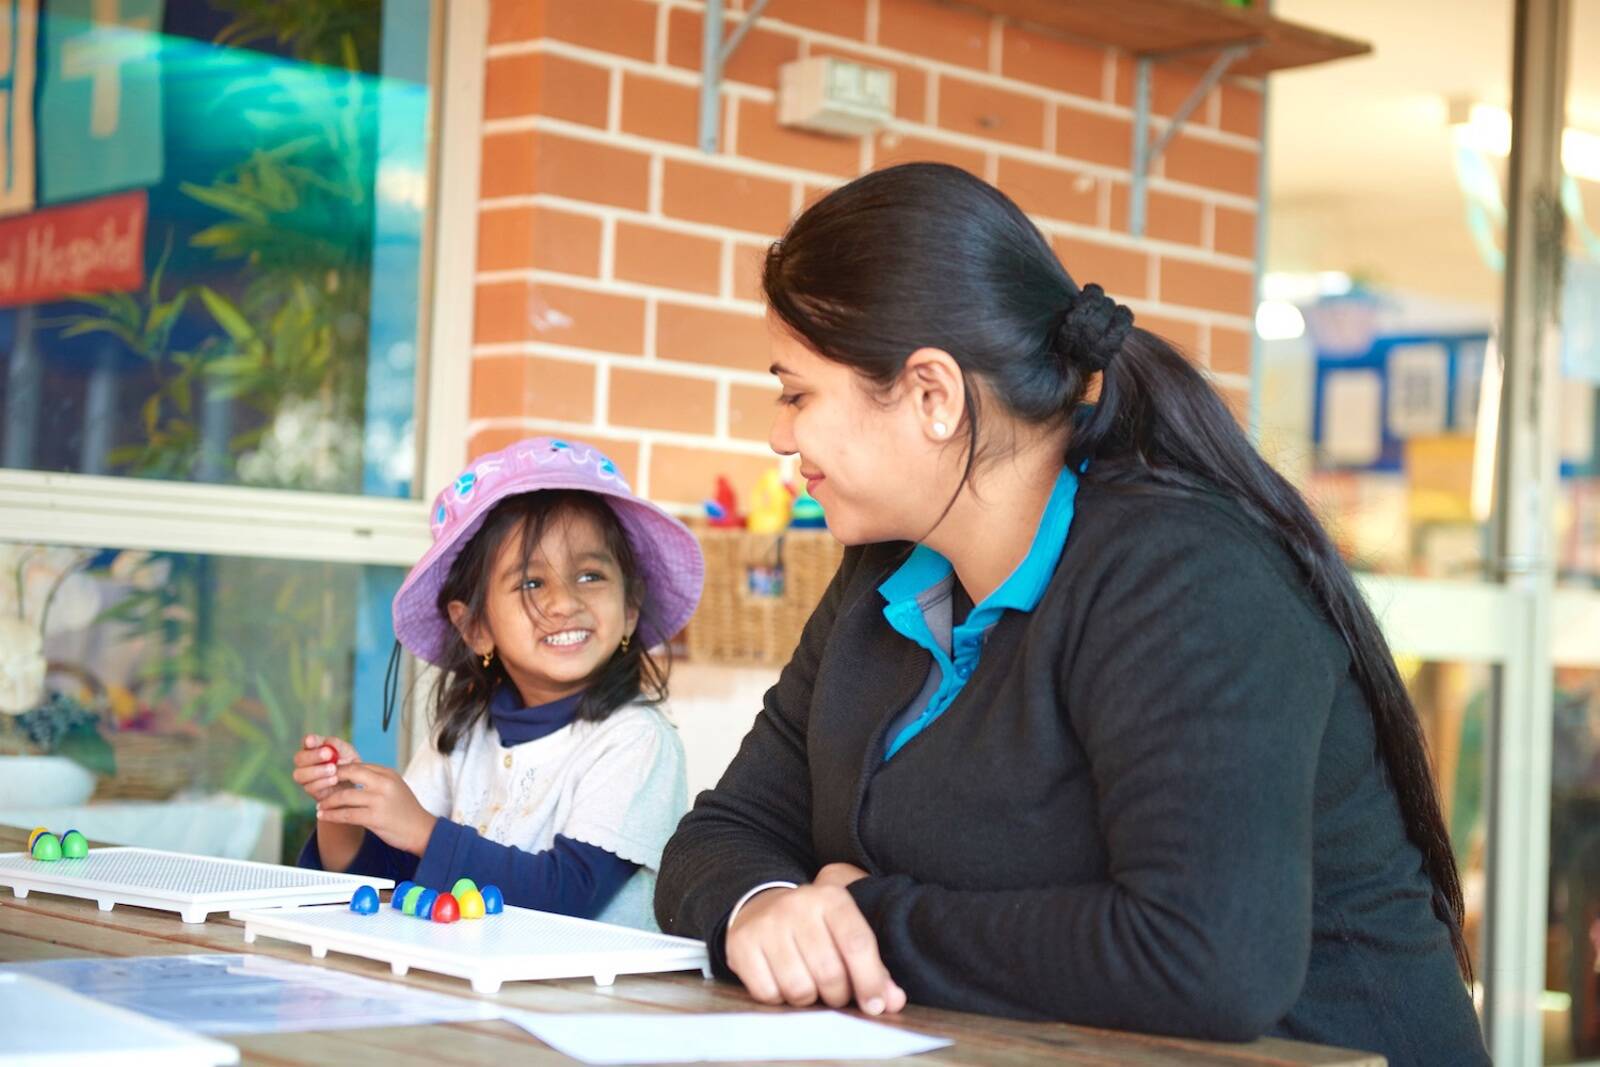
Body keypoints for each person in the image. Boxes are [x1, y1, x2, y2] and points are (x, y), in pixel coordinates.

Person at [654, 163, 1489, 1064]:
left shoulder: (1185, 579)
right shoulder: (884, 578)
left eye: (796, 393)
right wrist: (765, 906)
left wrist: (864, 917)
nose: (781, 436)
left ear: (933, 396)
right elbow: (724, 833)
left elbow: (1206, 959)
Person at [296, 436, 702, 931]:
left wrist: (422, 831)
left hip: (589, 1000)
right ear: (475, 627)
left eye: (591, 575)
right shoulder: (461, 736)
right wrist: (344, 809)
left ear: (631, 607)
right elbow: (386, 875)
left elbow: (568, 893)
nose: (563, 603)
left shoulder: (636, 741)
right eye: (532, 583)